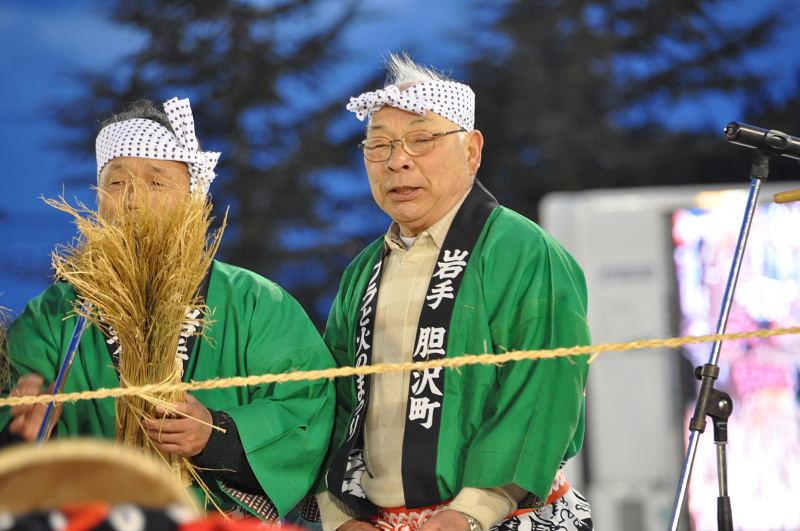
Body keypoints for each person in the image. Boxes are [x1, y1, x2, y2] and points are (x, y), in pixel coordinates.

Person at [0, 97, 335, 521]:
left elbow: (309, 405)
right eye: (117, 183)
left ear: (194, 198)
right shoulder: (54, 316)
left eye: (156, 183)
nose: (133, 200)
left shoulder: (255, 303)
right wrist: (22, 440)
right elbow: (15, 423)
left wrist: (217, 435)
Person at [316, 54, 593, 531]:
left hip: (503, 518)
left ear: (472, 151)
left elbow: (544, 390)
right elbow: (331, 401)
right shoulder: (363, 271)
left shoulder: (522, 250)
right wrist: (339, 515)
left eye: (421, 140)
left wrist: (470, 512)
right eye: (378, 145)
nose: (397, 161)